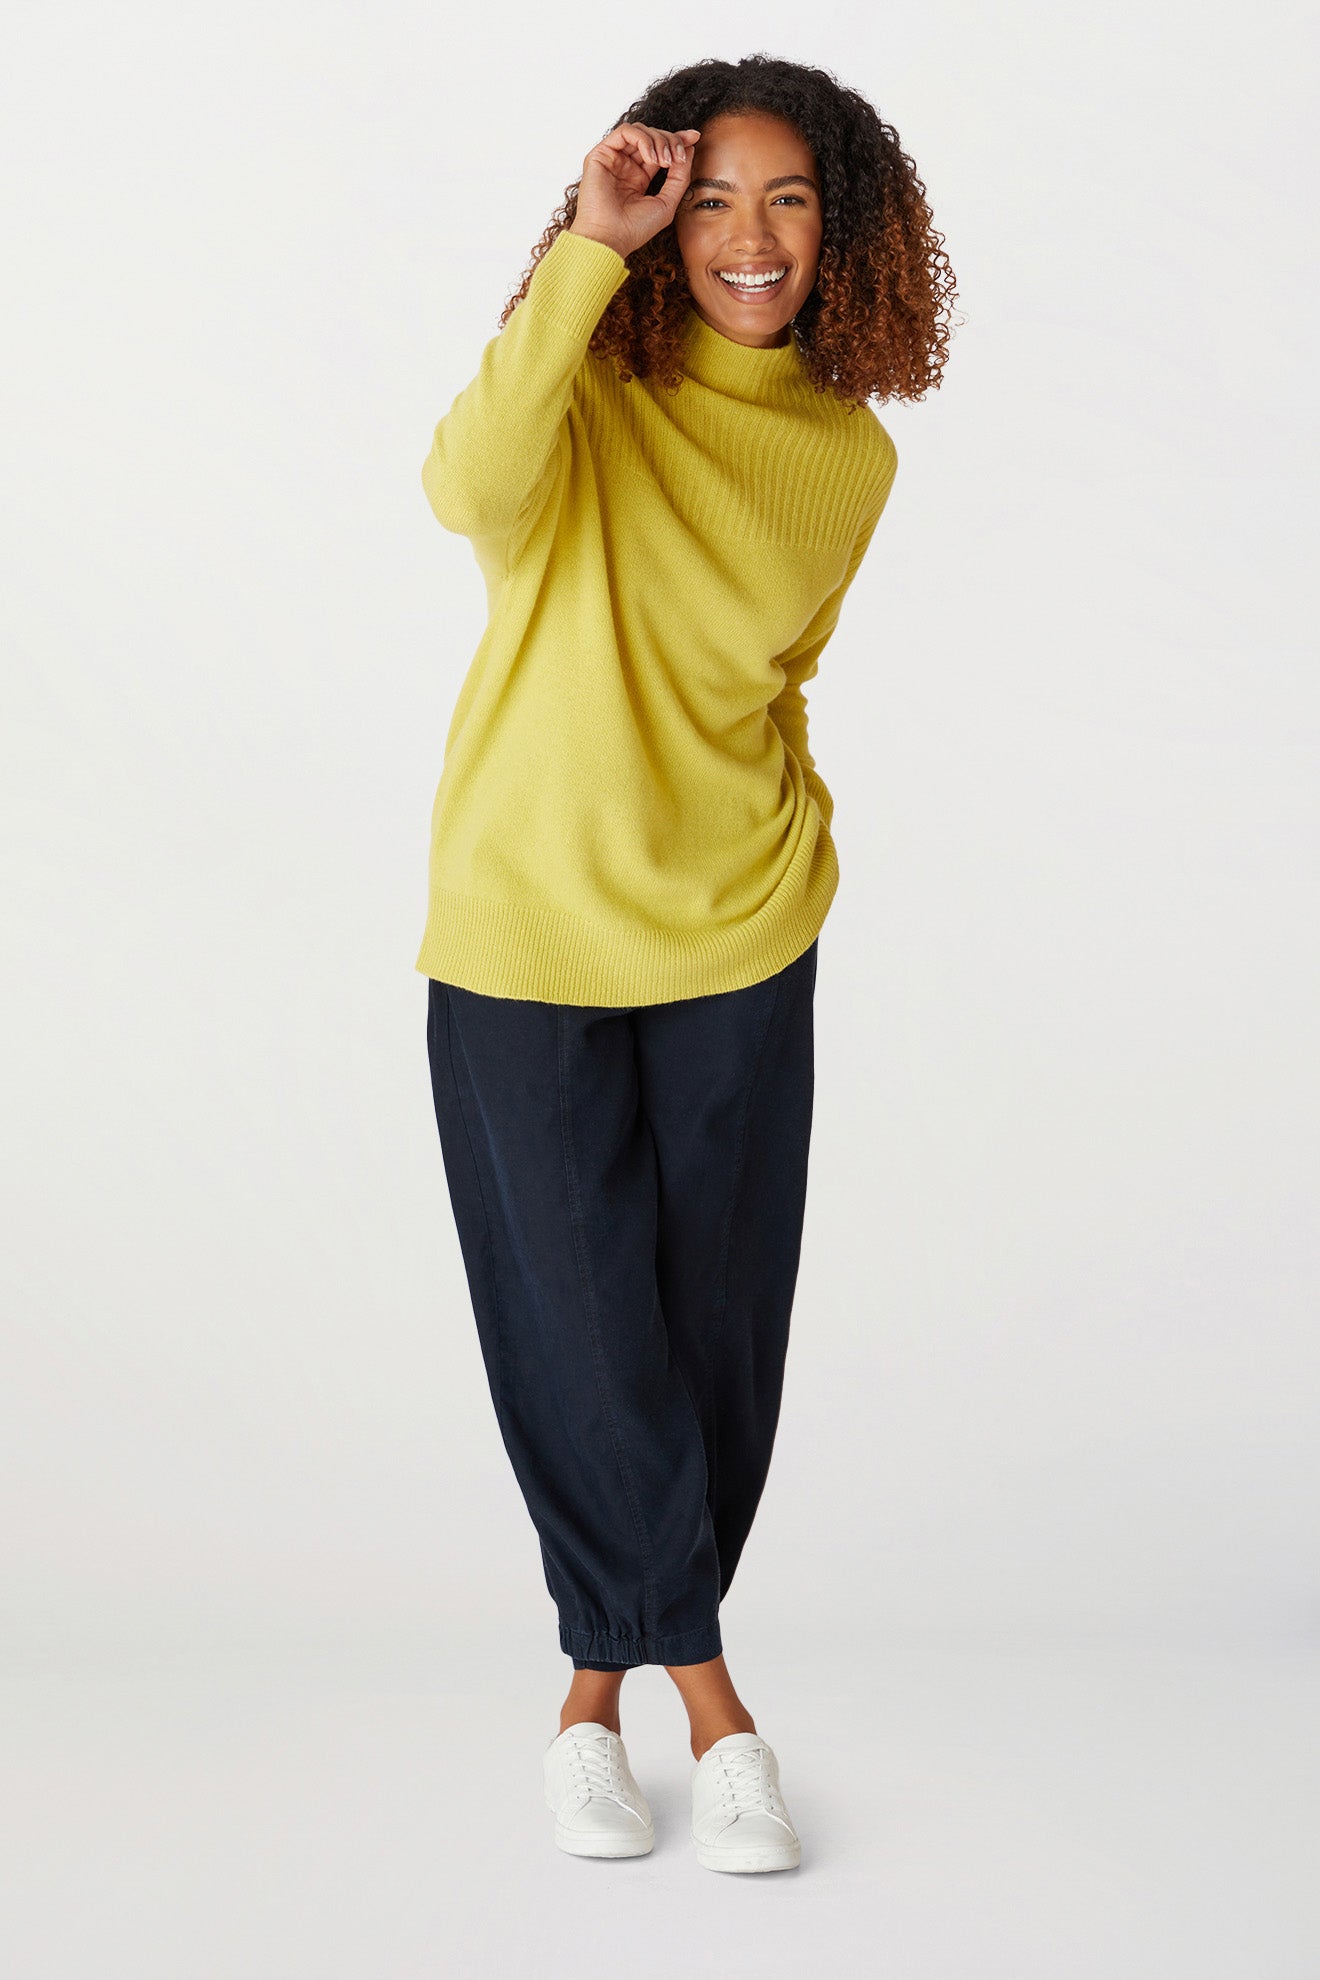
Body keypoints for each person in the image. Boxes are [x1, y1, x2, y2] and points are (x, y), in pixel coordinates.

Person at [416, 53, 956, 1872]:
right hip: (526, 925)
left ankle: (588, 1698)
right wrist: (587, 245)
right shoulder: (587, 388)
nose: (748, 237)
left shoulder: (848, 456)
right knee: (578, 1329)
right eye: (712, 196)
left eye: (789, 200)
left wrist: (801, 840)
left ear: (843, 230)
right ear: (660, 215)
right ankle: (712, 1702)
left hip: (741, 923)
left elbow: (782, 673)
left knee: (717, 1337)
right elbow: (458, 482)